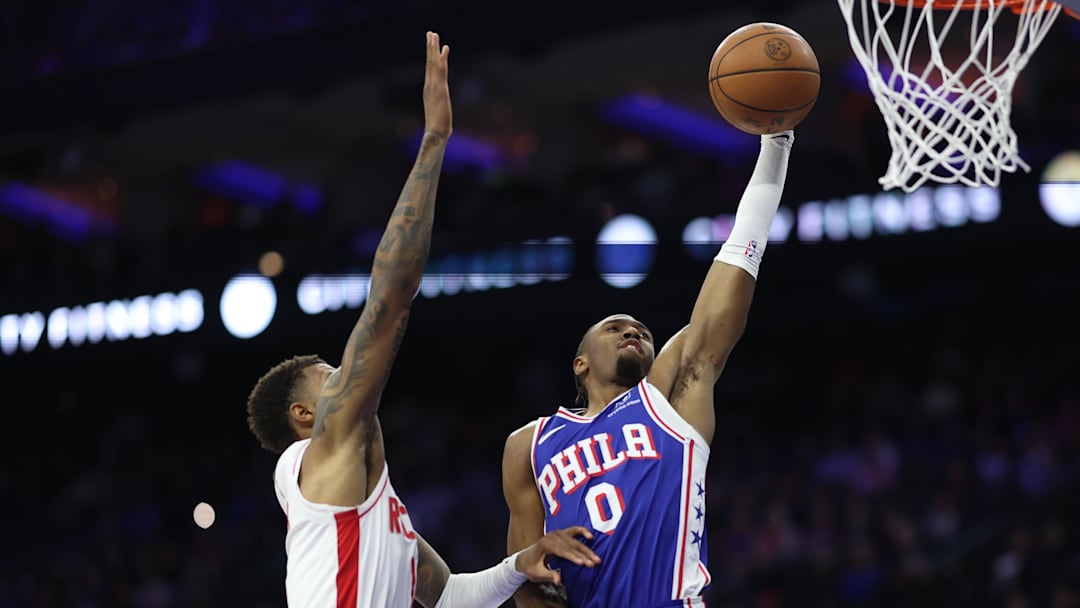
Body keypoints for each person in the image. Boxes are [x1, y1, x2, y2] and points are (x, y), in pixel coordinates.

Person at [246, 32, 599, 608]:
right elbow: (388, 300)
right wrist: (434, 142)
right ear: (306, 415)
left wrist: (520, 563)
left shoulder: (370, 509)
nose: (349, 375)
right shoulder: (322, 451)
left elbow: (453, 595)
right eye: (332, 374)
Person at [502, 130, 796, 607]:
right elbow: (527, 579)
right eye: (615, 327)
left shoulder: (671, 401)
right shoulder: (528, 445)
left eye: (641, 330)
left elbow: (736, 259)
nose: (632, 332)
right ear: (580, 362)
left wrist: (775, 146)